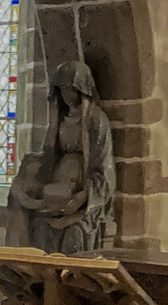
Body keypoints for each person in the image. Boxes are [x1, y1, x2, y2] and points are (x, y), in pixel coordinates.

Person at [8, 60, 114, 254]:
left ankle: (70, 282)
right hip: (57, 191)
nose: (67, 96)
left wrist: (83, 197)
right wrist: (30, 173)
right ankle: (41, 280)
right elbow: (49, 156)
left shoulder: (96, 120)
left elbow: (103, 168)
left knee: (75, 233)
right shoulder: (58, 120)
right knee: (40, 229)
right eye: (63, 90)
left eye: (72, 90)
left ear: (83, 91)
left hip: (82, 193)